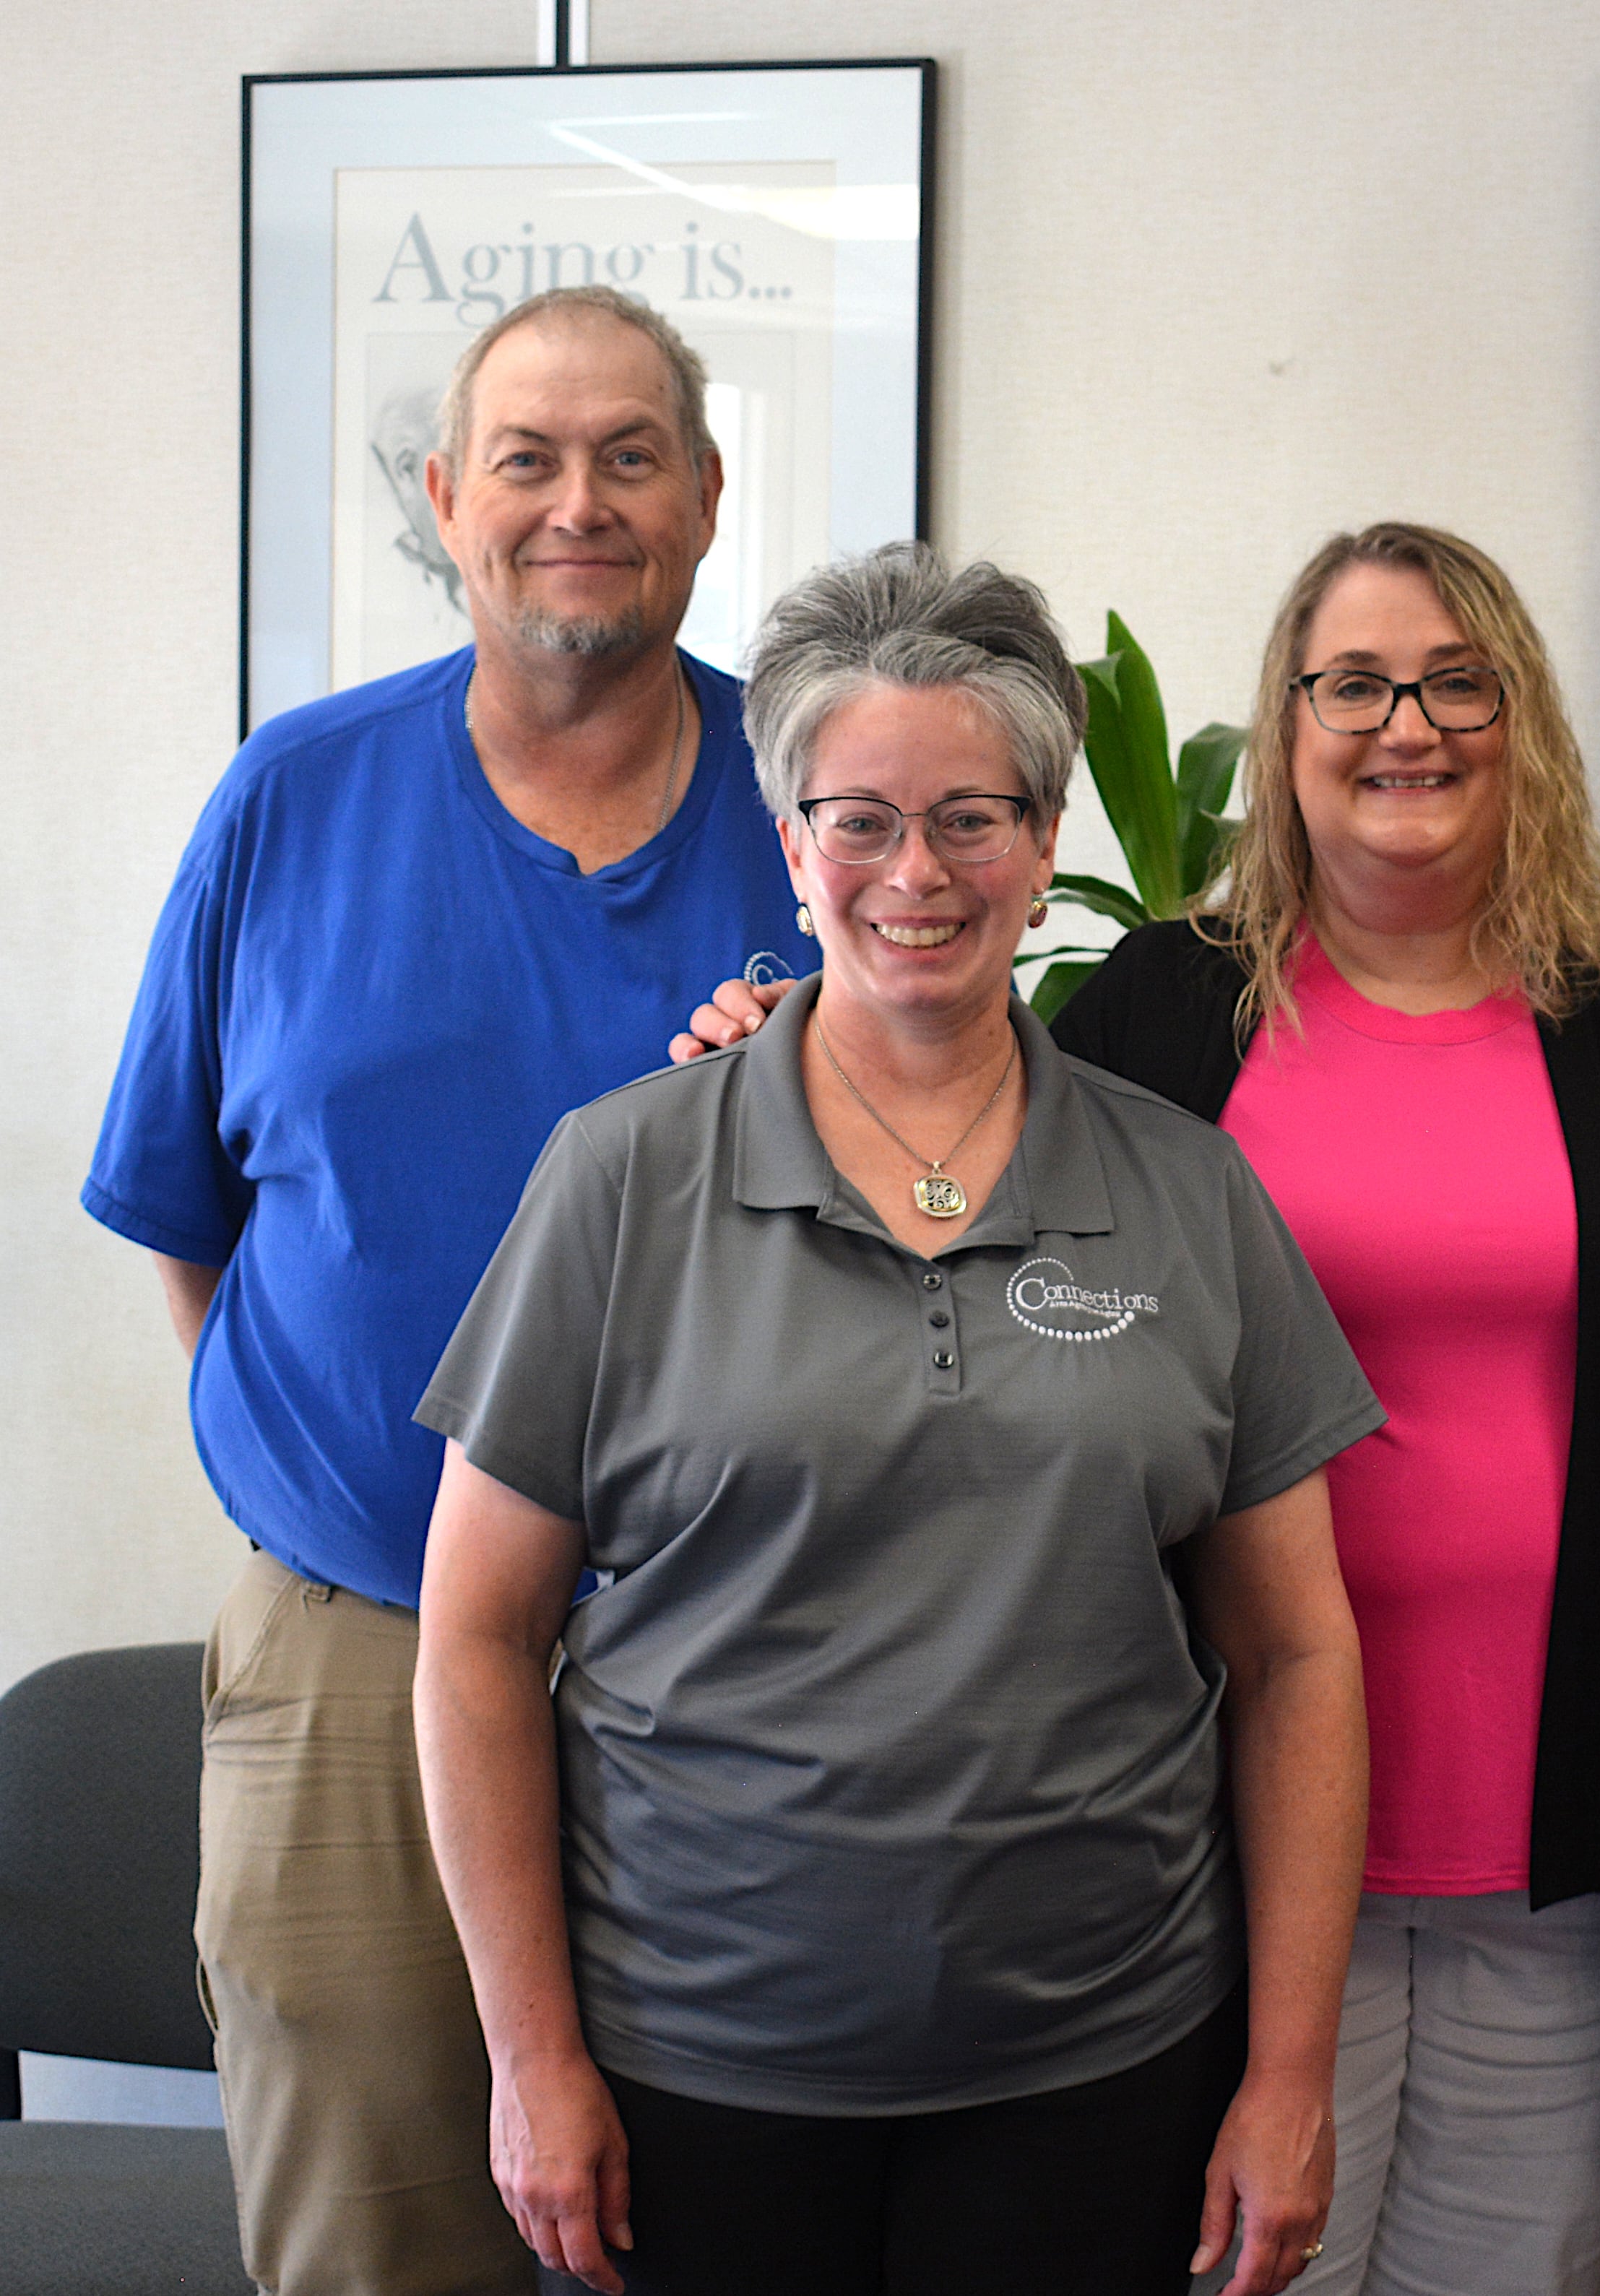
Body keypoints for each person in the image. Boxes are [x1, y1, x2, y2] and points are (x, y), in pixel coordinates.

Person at [681, 520, 1600, 2292]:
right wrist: (773, 1046)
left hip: (1562, 1821)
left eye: (1455, 682)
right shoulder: (1169, 1005)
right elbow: (932, 1161)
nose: (1403, 725)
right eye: (1352, 683)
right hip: (1212, 1823)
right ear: (1288, 723)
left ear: (1526, 724)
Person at [412, 542, 1383, 2296]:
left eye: (972, 817)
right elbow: (477, 1639)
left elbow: (1300, 1656)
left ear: (1042, 840)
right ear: (790, 844)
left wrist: (1291, 2074)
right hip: (690, 2075)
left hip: (1101, 2069)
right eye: (857, 819)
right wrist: (531, 2059)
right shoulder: (624, 1178)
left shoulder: (1188, 1193)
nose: (914, 873)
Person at [81, 284, 805, 2296]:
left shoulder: (825, 815)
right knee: (381, 2248)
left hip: (747, 1683)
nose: (581, 501)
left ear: (708, 496)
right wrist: (334, 1477)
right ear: (445, 497)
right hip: (356, 1674)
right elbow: (185, 1211)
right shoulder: (291, 800)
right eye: (530, 457)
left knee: (743, 2231)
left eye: (632, 455)